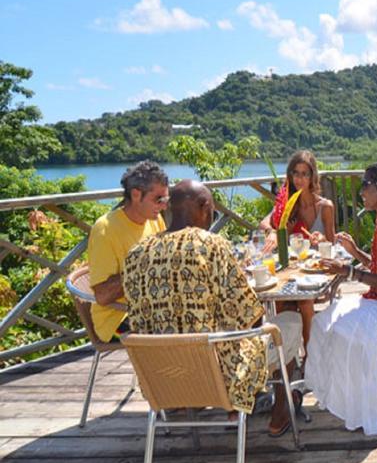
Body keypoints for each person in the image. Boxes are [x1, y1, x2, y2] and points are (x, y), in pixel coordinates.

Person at [123, 180, 304, 436]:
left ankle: (234, 407)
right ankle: (279, 412)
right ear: (203, 206)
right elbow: (250, 317)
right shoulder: (211, 245)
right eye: (213, 212)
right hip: (218, 376)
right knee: (290, 321)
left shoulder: (135, 254)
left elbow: (137, 320)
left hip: (162, 377)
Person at [306, 163, 377, 436]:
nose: (361, 193)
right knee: (323, 322)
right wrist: (355, 252)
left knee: (346, 331)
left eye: (365, 185)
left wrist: (349, 271)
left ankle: (368, 401)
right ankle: (351, 396)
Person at [260, 150, 336, 345]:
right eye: (296, 173)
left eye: (305, 174)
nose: (300, 179)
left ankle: (310, 357)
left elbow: (332, 244)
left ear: (313, 177)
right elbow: (265, 222)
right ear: (290, 176)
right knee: (279, 301)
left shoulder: (325, 206)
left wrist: (323, 240)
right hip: (291, 272)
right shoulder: (287, 205)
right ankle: (287, 359)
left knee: (305, 301)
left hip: (316, 274)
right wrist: (272, 231)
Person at [87, 161, 169, 343]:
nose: (163, 206)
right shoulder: (106, 229)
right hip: (116, 321)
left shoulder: (154, 220)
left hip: (152, 307)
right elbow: (102, 296)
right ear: (136, 195)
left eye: (166, 200)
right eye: (158, 200)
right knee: (180, 327)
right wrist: (142, 269)